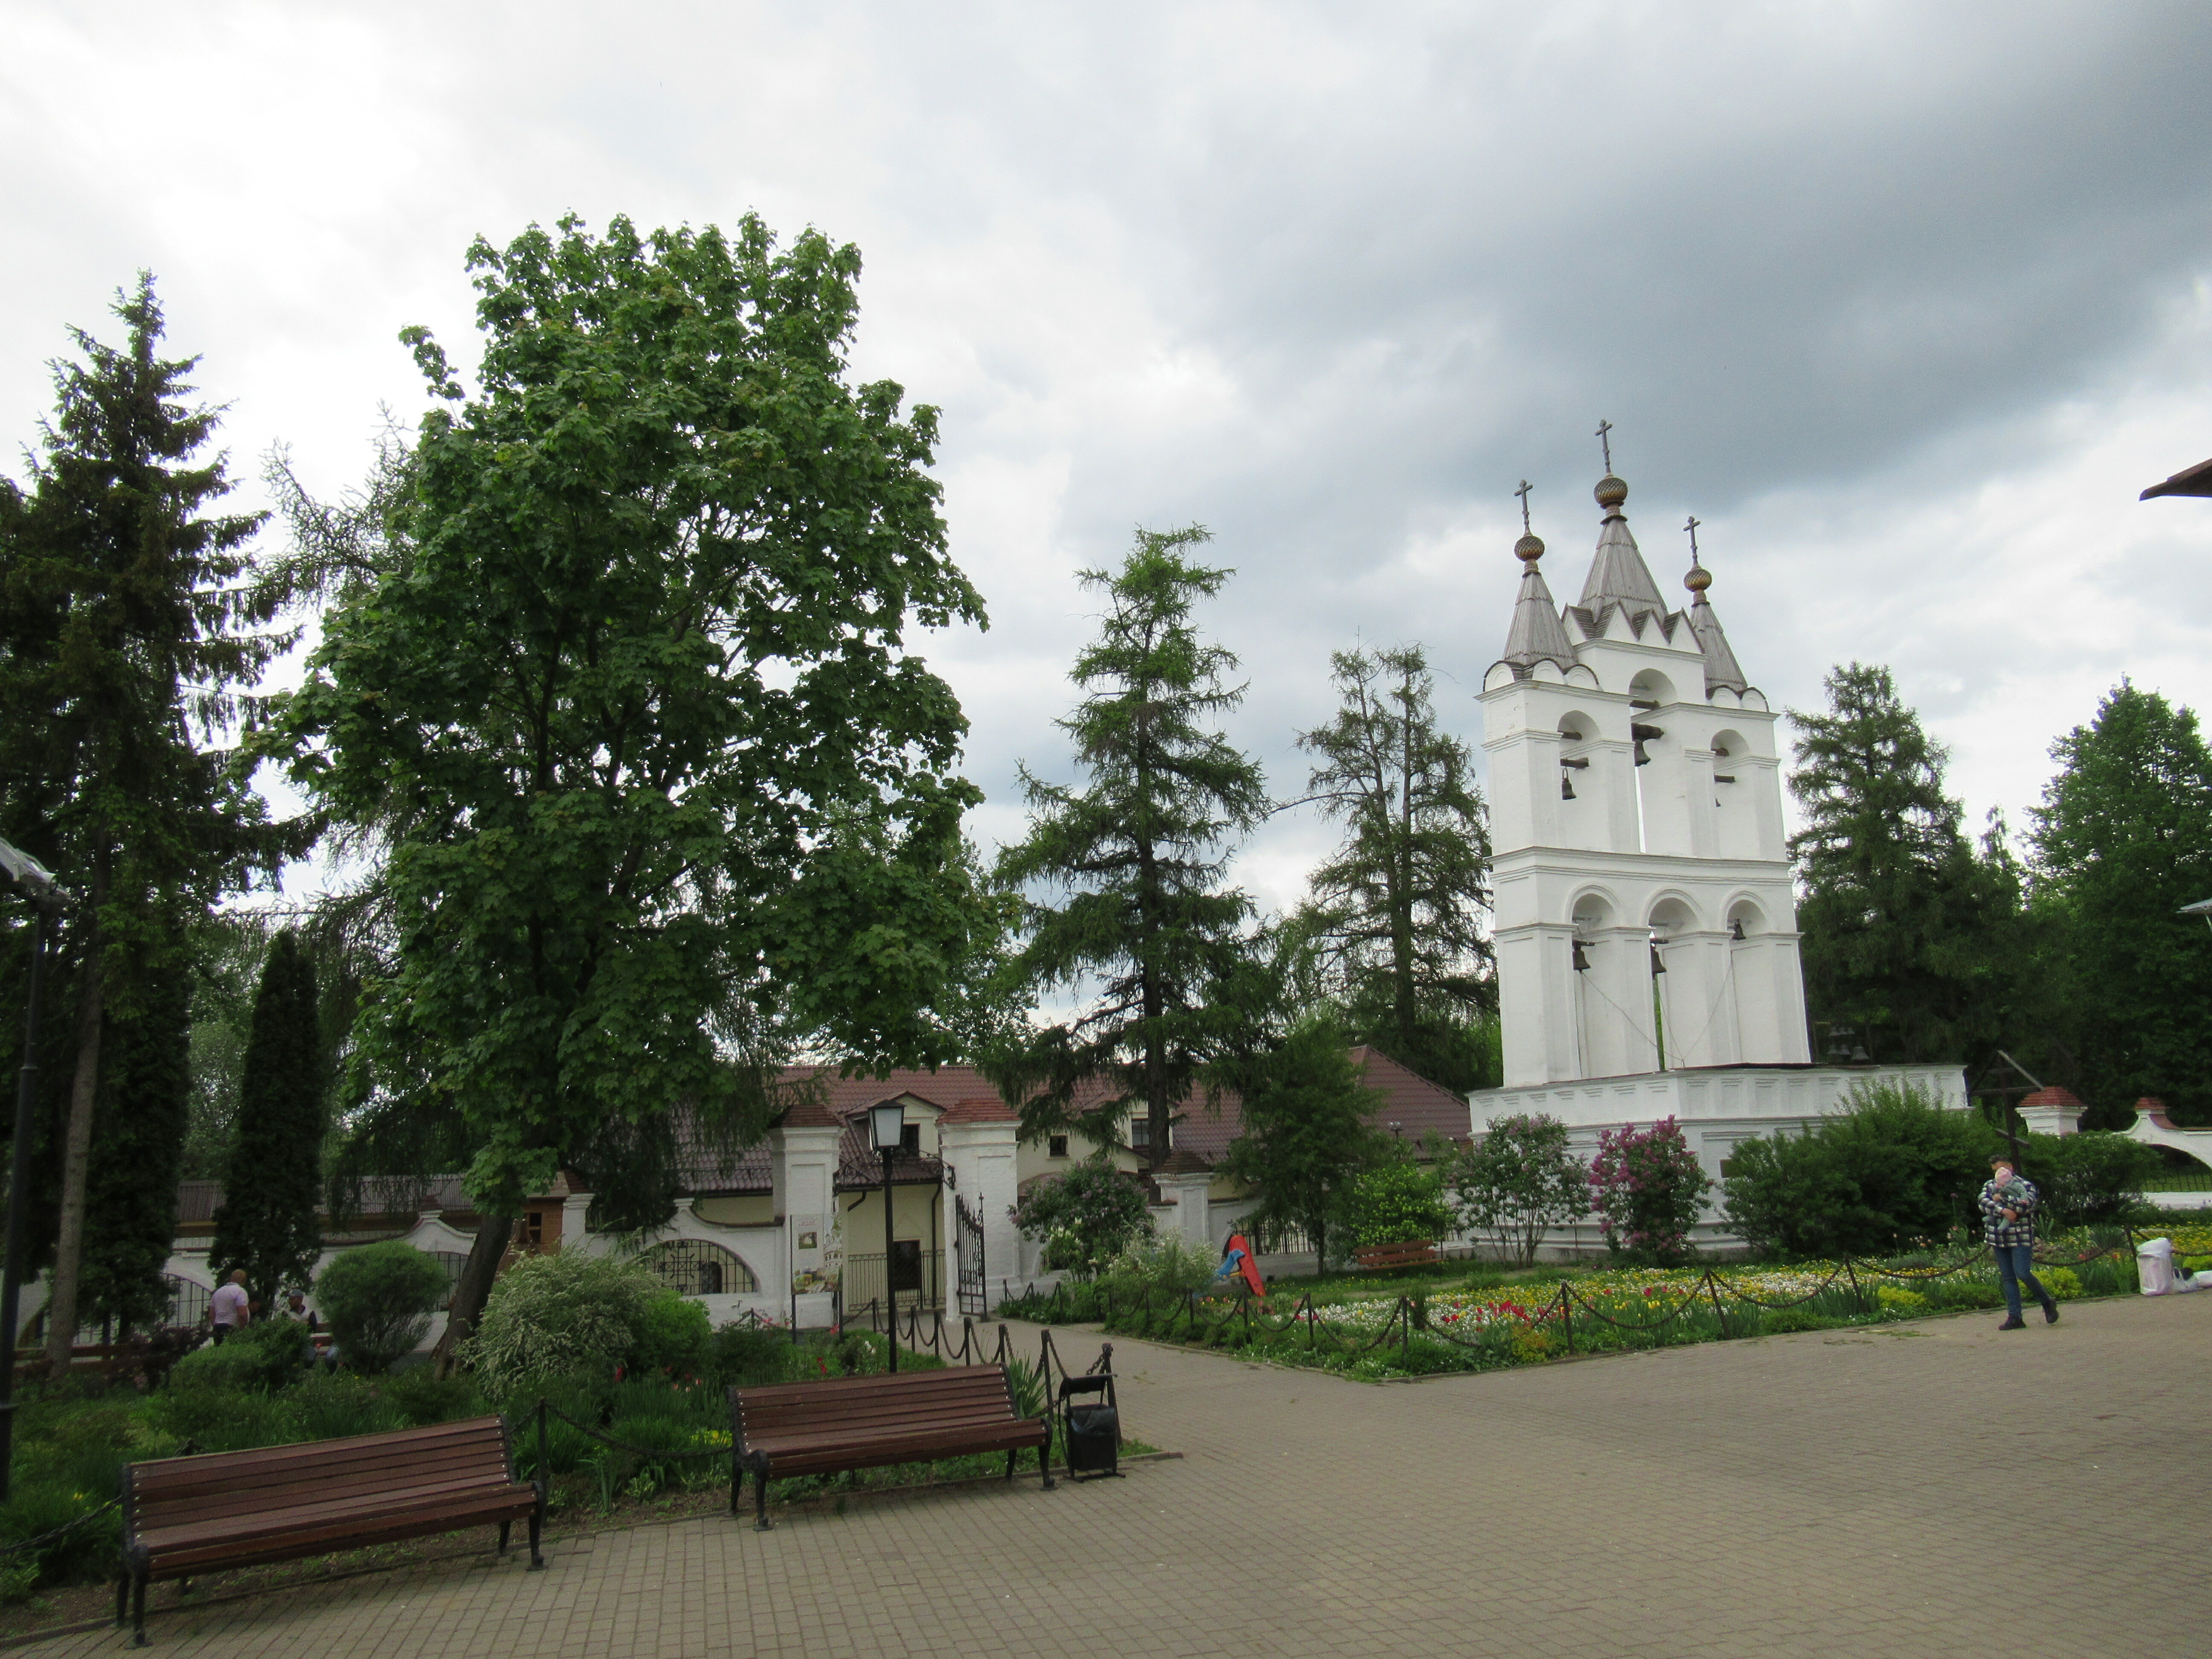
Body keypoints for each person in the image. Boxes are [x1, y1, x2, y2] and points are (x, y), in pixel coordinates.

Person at [1978, 1156, 2058, 1330]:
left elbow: (2026, 1205)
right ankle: (2015, 1317)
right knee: (2008, 1277)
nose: (1999, 1173)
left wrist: (2003, 1201)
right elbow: (1983, 1203)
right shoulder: (1990, 1185)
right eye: (1995, 1171)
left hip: (2021, 1237)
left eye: (2002, 1169)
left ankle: (2047, 1303)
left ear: (2010, 1167)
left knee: (2023, 1272)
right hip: (1999, 1238)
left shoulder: (2026, 1186)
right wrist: (2004, 1210)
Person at [209, 1268, 251, 1345]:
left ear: (231, 1279)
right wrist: (243, 1330)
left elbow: (211, 1315)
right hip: (232, 1328)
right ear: (243, 1280)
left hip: (217, 1327)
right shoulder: (241, 1292)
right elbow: (242, 1314)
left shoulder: (218, 1292)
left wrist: (216, 1326)